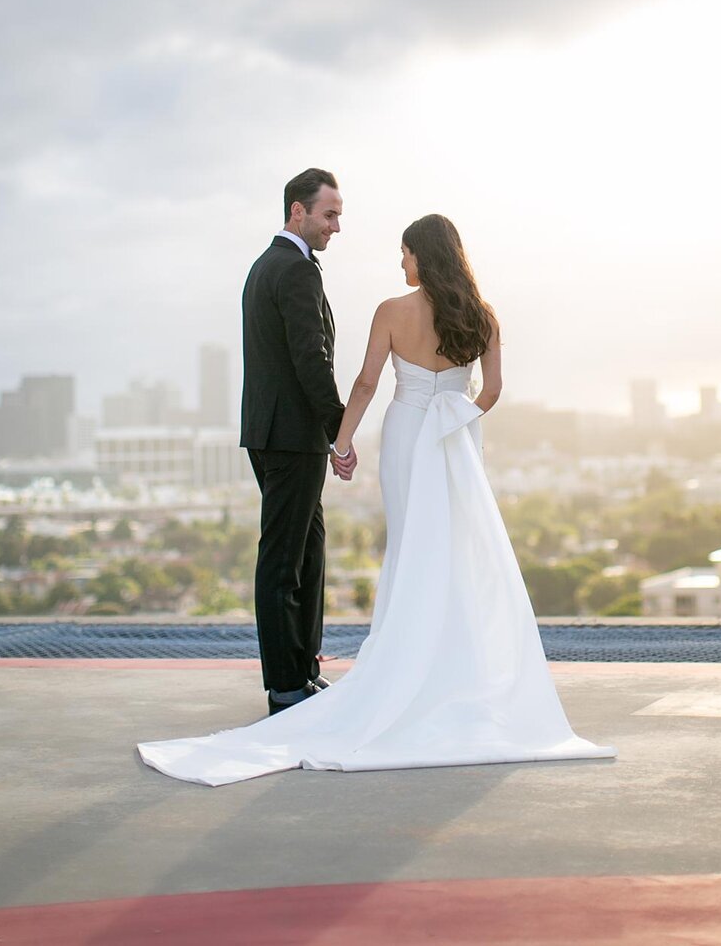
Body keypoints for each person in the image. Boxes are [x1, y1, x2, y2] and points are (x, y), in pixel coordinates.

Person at [138, 215, 616, 783]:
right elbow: (491, 392)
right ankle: (459, 670)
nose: (401, 263)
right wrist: (456, 416)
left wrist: (340, 442)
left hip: (408, 433)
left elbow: (365, 383)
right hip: (455, 440)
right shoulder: (483, 316)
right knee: (455, 545)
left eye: (405, 253)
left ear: (423, 256)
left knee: (412, 541)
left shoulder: (392, 310)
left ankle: (405, 661)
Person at [238, 167, 355, 717]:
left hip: (274, 435)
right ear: (297, 211)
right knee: (285, 560)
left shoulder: (266, 266)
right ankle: (287, 685)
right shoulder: (296, 270)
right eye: (328, 214)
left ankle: (303, 670)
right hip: (291, 439)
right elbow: (313, 360)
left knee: (308, 551)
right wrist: (340, 431)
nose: (335, 226)